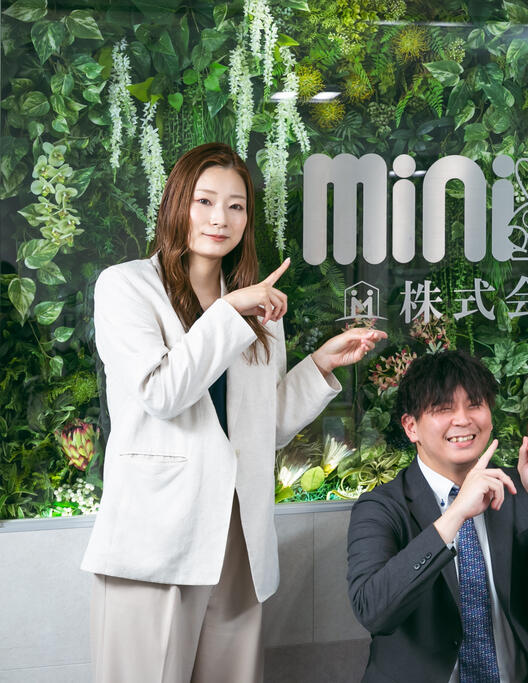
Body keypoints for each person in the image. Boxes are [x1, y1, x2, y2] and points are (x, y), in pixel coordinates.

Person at [82, 142, 386, 682]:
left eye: (236, 206)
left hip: (238, 537)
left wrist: (320, 364)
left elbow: (265, 427)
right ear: (176, 203)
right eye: (204, 201)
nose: (220, 218)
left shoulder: (257, 308)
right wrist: (229, 310)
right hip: (155, 536)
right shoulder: (127, 287)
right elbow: (162, 393)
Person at [347, 349, 528, 683]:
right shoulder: (380, 506)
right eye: (443, 408)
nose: (463, 419)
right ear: (411, 427)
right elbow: (373, 612)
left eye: (474, 404)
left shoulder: (515, 489)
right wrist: (456, 513)